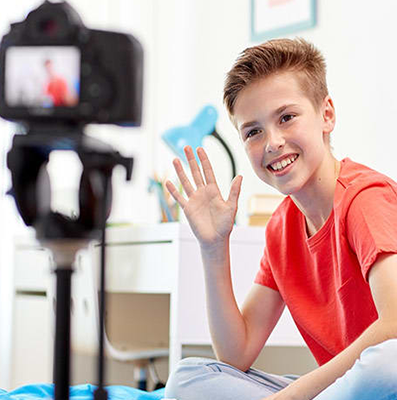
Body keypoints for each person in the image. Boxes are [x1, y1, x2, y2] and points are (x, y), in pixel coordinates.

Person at [163, 38, 397, 400]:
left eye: (286, 118)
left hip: (383, 374)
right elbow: (236, 354)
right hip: (343, 389)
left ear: (326, 115)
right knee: (189, 377)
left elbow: (395, 325)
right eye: (253, 131)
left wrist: (290, 396)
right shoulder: (281, 228)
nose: (272, 142)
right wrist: (213, 248)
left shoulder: (365, 198)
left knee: (389, 360)